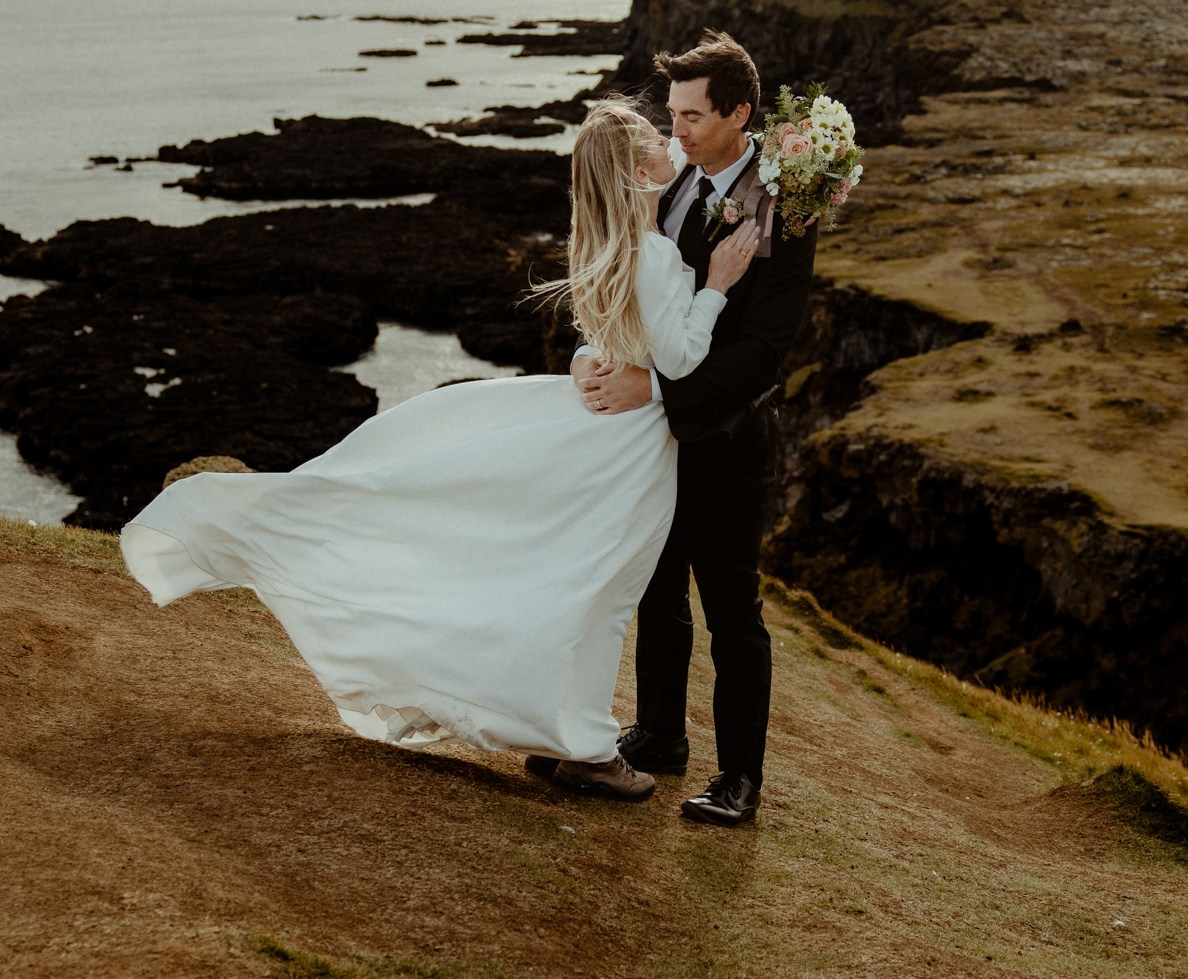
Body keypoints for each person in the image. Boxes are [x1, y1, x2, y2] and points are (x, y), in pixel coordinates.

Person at [120, 100, 761, 801]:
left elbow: (612, 339)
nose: (673, 138)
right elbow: (681, 356)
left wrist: (590, 356)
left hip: (597, 431)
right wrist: (718, 290)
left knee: (583, 588)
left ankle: (566, 732)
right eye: (656, 137)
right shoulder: (655, 253)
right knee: (602, 594)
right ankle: (583, 747)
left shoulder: (606, 246)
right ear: (641, 173)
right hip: (629, 451)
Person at [573, 31, 819, 827]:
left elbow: (764, 352)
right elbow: (634, 289)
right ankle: (661, 733)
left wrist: (659, 393)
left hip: (725, 436)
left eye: (690, 115)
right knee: (656, 586)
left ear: (740, 113)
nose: (673, 128)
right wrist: (595, 355)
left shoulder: (783, 205)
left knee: (731, 608)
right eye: (670, 113)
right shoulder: (671, 181)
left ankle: (740, 779)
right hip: (656, 442)